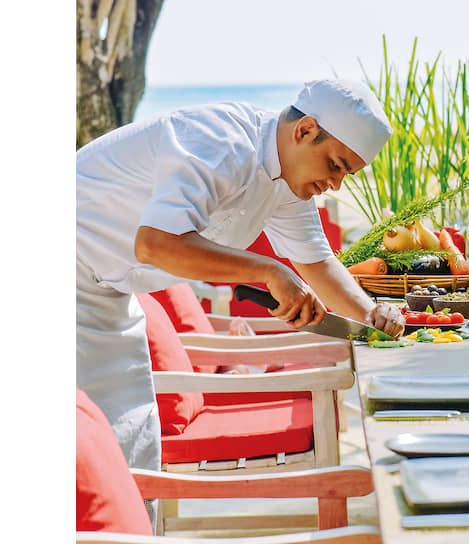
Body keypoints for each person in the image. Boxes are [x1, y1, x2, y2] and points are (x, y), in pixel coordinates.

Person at [76, 79, 406, 525]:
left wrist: (369, 313)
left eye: (347, 173)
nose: (334, 183)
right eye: (335, 164)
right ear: (305, 129)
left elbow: (317, 262)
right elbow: (155, 244)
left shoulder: (289, 182)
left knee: (133, 441)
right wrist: (268, 271)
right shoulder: (220, 141)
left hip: (108, 289)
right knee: (82, 457)